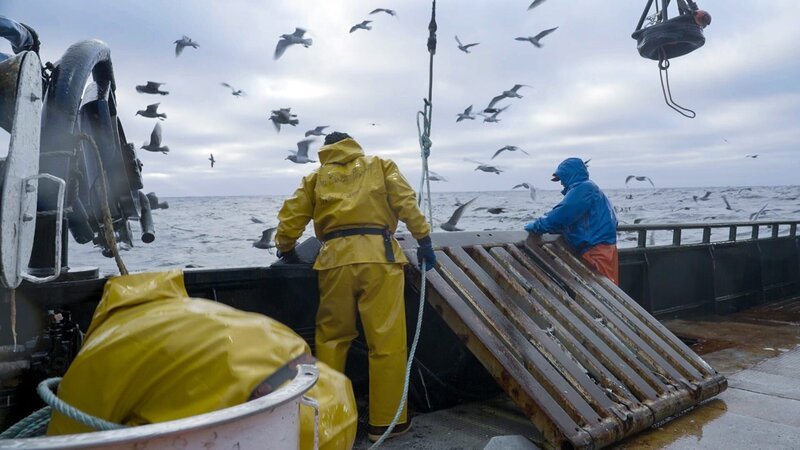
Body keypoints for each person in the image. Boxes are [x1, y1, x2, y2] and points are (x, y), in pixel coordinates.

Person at [274, 131, 436, 442]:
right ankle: (387, 424)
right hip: (380, 259)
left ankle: (330, 420)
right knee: (386, 343)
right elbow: (405, 203)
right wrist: (424, 240)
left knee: (332, 340)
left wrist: (285, 247)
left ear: (325, 150)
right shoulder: (381, 166)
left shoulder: (315, 178)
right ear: (353, 144)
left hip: (334, 262)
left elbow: (291, 216)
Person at [524, 157, 619, 284]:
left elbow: (562, 215)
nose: (561, 183)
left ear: (569, 175)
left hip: (595, 251)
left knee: (604, 291)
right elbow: (571, 218)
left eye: (561, 178)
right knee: (606, 288)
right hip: (602, 249)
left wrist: (536, 225)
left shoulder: (584, 188)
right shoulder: (591, 188)